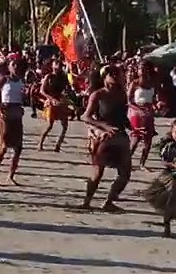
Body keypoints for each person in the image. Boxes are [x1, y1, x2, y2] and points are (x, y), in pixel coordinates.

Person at [81, 66, 132, 211]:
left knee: (125, 173)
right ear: (104, 77)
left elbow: (122, 117)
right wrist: (104, 126)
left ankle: (109, 201)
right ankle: (86, 202)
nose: (115, 76)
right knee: (98, 172)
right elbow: (86, 117)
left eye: (117, 74)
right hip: (104, 137)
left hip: (120, 135)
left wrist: (133, 127)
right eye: (111, 74)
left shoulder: (122, 94)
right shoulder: (98, 95)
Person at [143, 119, 176, 239]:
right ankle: (167, 228)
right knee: (169, 205)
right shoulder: (169, 146)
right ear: (172, 132)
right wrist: (174, 166)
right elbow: (164, 162)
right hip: (170, 177)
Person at [37, 58, 72, 153]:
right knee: (49, 125)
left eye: (59, 64)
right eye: (56, 64)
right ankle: (40, 142)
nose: (58, 66)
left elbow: (68, 88)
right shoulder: (48, 77)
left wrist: (68, 95)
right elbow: (42, 91)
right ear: (52, 66)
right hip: (51, 102)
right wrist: (51, 99)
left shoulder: (63, 77)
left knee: (65, 126)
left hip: (61, 101)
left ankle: (58, 145)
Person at [128, 64, 158, 169]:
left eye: (145, 68)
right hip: (136, 112)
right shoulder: (134, 83)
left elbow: (153, 99)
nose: (143, 70)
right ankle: (127, 161)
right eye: (141, 68)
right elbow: (128, 101)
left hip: (149, 112)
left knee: (148, 139)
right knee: (136, 138)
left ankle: (142, 163)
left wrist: (156, 105)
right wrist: (138, 109)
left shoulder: (152, 83)